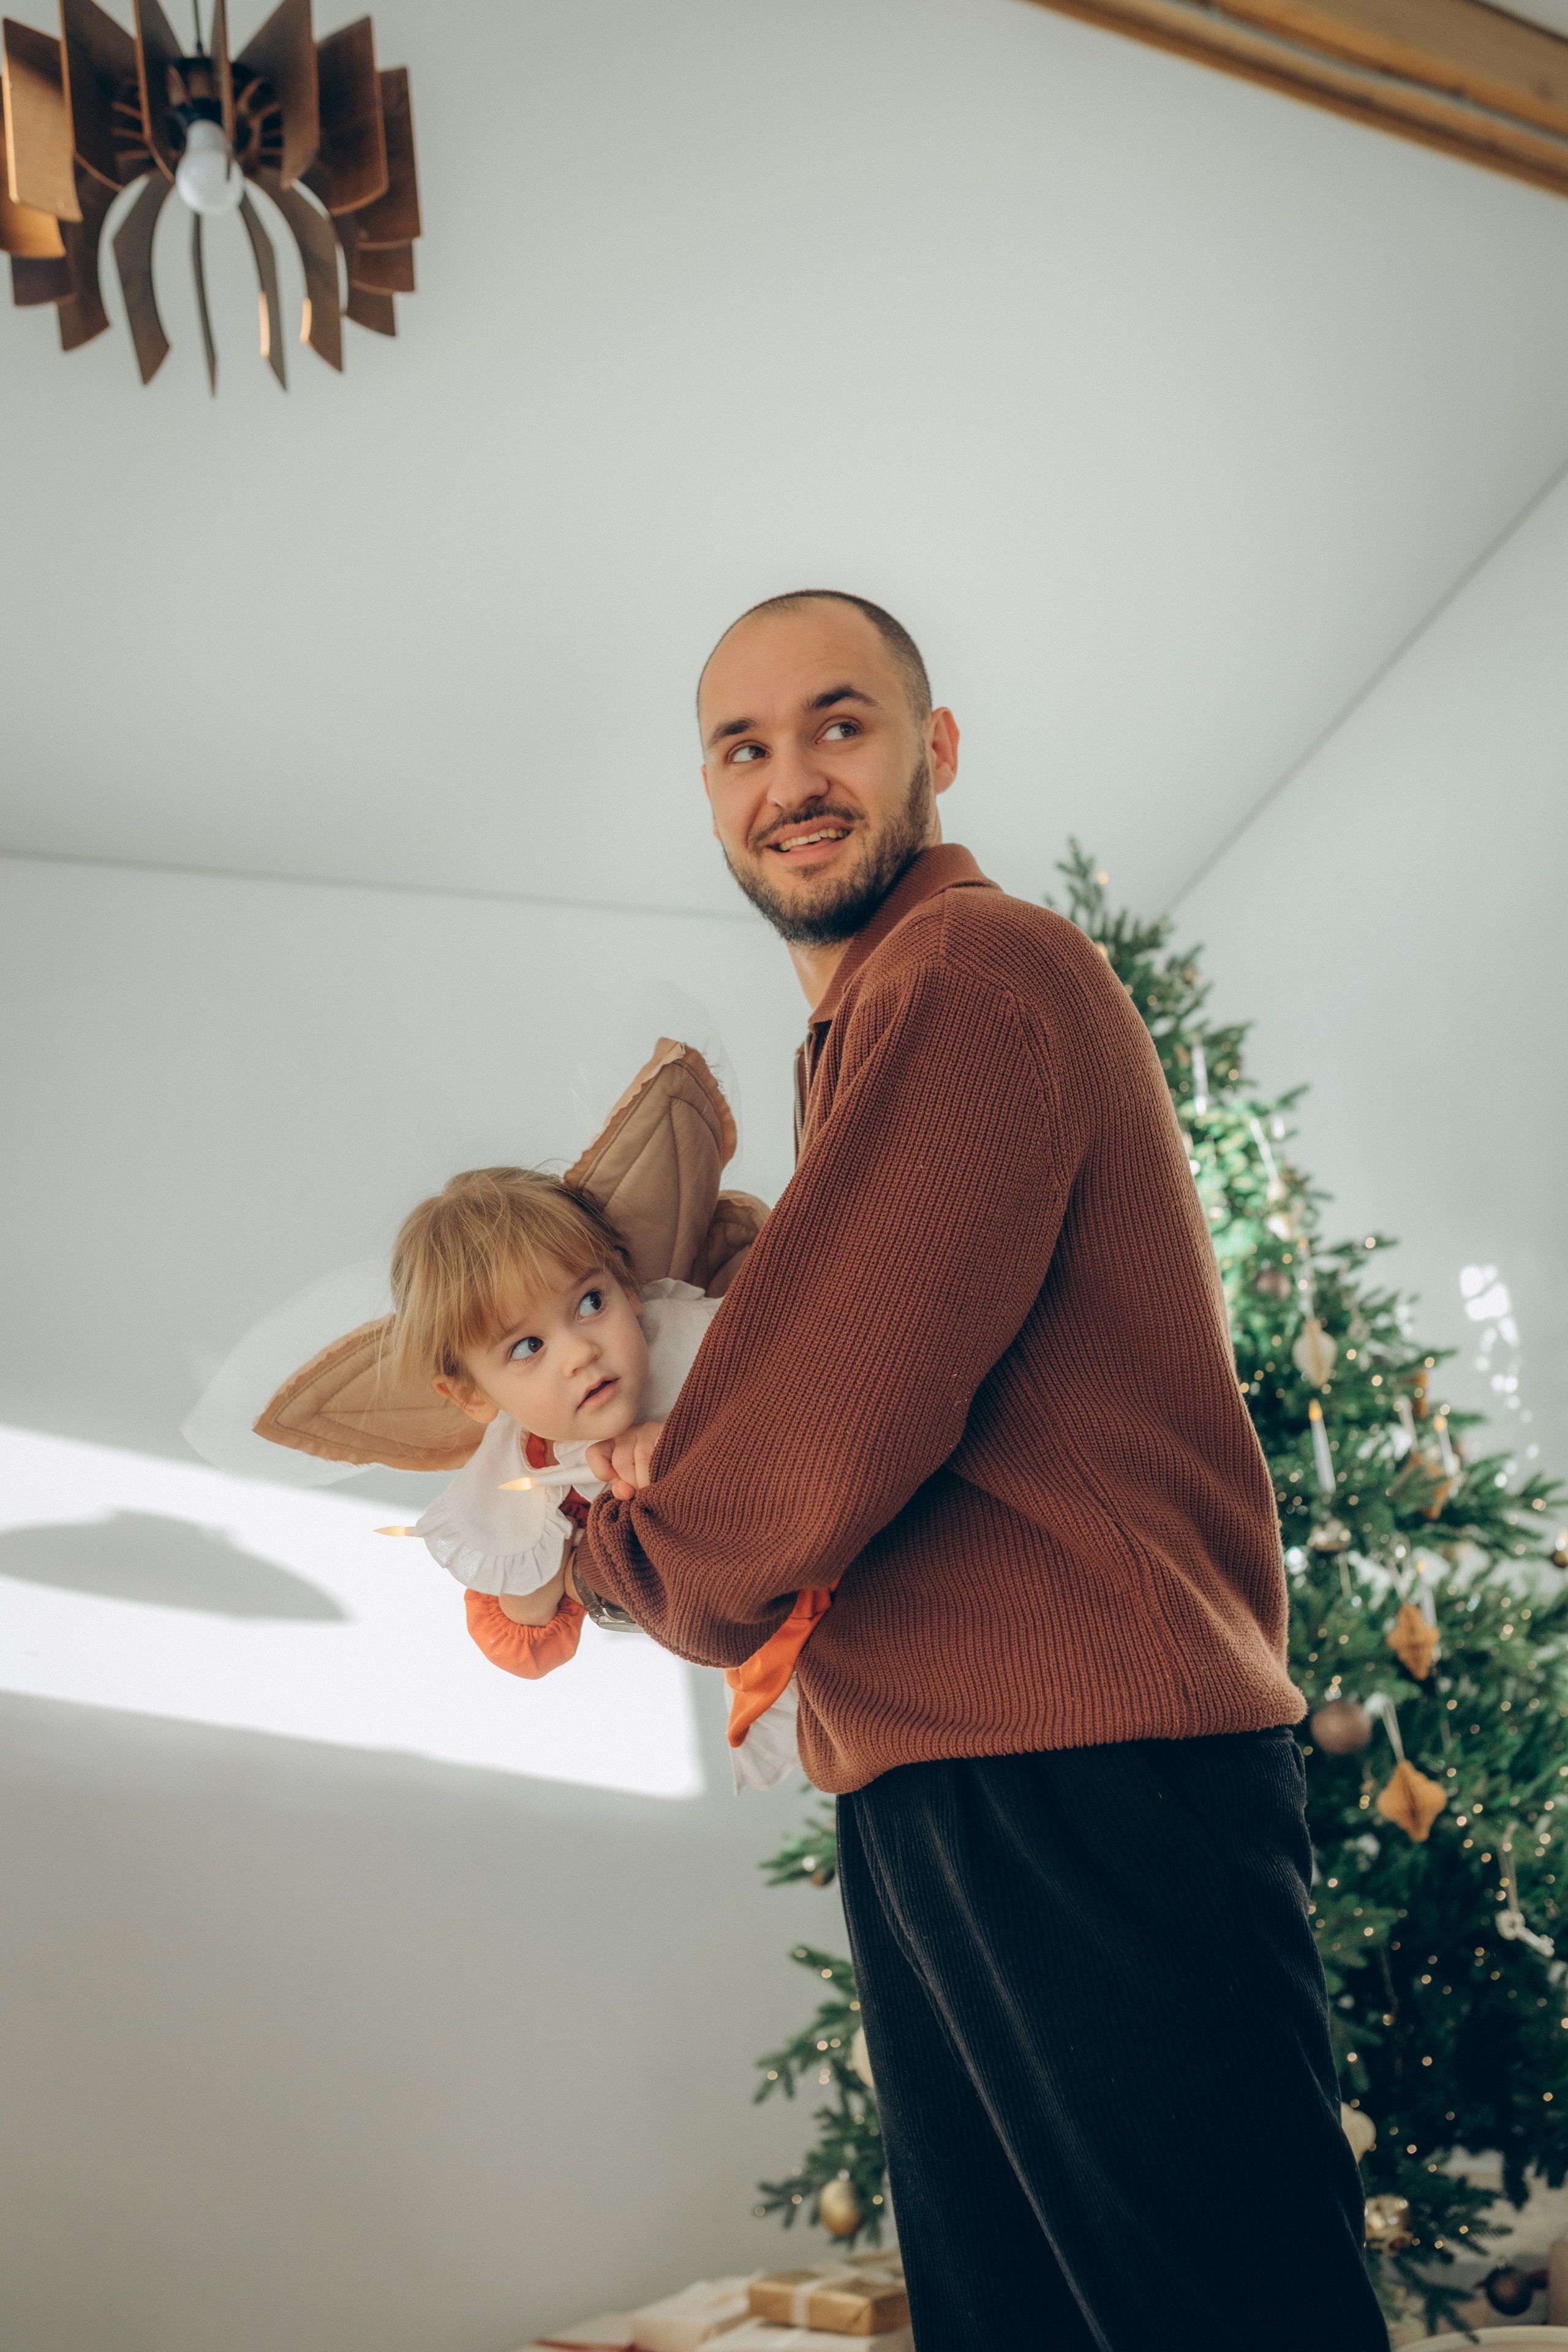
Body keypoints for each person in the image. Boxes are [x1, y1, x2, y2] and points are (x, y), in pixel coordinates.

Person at [571, 592, 1387, 2350]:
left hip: (1081, 1766)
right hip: (976, 1768)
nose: (792, 776)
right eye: (744, 746)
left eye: (839, 725)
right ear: (711, 801)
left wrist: (608, 1558)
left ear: (935, 755)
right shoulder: (883, 1017)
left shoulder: (970, 972)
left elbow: (826, 1419)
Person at [386, 1164, 826, 1790]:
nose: (578, 1353)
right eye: (526, 1347)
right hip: (789, 1648)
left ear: (628, 1287)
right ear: (470, 1396)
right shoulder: (529, 1473)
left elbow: (815, 1410)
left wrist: (684, 1446)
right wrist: (569, 1557)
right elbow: (522, 1644)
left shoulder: (704, 1341)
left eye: (590, 1304)